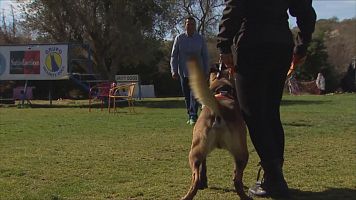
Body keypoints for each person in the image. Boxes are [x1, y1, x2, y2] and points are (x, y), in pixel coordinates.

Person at [217, 0, 316, 198]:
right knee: (270, 112)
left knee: (252, 112)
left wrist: (224, 43)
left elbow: (235, 6)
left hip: (252, 42)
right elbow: (304, 8)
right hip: (280, 43)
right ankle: (274, 174)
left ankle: (274, 178)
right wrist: (302, 45)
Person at [170, 16, 209, 125]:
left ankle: (193, 115)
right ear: (185, 25)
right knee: (187, 96)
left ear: (195, 26)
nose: (190, 26)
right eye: (188, 24)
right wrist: (174, 70)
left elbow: (205, 56)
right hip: (183, 72)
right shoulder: (179, 38)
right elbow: (174, 56)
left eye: (192, 24)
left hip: (197, 72)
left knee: (194, 94)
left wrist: (206, 71)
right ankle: (190, 115)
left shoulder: (200, 39)